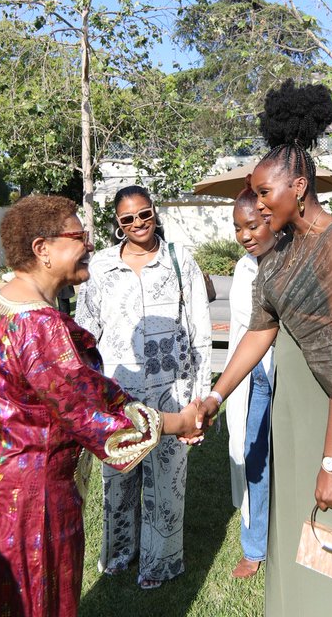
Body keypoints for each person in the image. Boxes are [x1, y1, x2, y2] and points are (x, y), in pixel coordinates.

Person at [194, 80, 332, 617]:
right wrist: (217, 395)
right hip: (290, 410)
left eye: (264, 192)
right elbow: (260, 329)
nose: (256, 203)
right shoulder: (284, 248)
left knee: (330, 538)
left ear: (299, 186)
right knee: (289, 535)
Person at [0, 195, 203, 616]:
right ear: (42, 249)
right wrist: (180, 422)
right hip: (30, 504)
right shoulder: (39, 326)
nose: (90, 245)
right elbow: (93, 417)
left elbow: (80, 389)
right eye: (80, 236)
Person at [74, 185, 211, 590]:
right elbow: (85, 332)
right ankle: (119, 553)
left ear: (154, 212)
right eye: (128, 218)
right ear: (118, 224)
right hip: (119, 393)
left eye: (144, 214)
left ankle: (159, 564)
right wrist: (88, 391)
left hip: (174, 392)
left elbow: (200, 331)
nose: (138, 223)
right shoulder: (101, 266)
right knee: (118, 479)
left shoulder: (179, 260)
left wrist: (200, 397)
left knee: (167, 483)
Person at [225, 188, 280, 580]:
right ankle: (254, 545)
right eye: (237, 228)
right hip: (254, 376)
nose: (244, 235)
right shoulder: (244, 267)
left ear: (272, 221)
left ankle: (294, 535)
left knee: (291, 456)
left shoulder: (294, 260)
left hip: (290, 375)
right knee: (253, 455)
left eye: (252, 225)